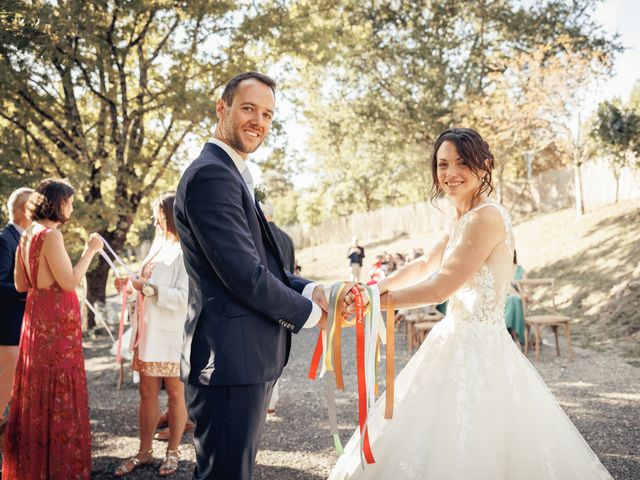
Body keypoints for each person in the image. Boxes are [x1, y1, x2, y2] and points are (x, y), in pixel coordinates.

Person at [330, 128, 612, 479]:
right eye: (443, 164)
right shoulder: (461, 216)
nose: (450, 174)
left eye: (462, 163)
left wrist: (375, 305)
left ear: (485, 166)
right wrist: (370, 290)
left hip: (479, 346)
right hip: (451, 339)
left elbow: (440, 287)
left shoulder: (486, 217)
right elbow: (423, 265)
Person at [174, 71, 329, 480]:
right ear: (222, 108)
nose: (258, 122)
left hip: (243, 362)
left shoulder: (231, 173)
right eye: (248, 108)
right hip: (228, 362)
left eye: (268, 115)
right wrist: (311, 314)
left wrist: (314, 290)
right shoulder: (212, 175)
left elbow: (267, 265)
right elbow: (243, 274)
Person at [2, 178, 103, 479]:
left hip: (35, 320)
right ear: (58, 202)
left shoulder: (27, 233)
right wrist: (90, 250)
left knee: (36, 392)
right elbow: (69, 281)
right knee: (58, 392)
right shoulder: (51, 235)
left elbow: (21, 284)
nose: (71, 207)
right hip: (56, 324)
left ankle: (33, 467)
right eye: (69, 201)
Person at [113, 192, 189, 477]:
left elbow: (186, 297)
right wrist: (130, 288)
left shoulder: (186, 250)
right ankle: (144, 451)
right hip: (147, 332)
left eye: (158, 214)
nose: (154, 220)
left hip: (171, 334)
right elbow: (143, 287)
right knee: (146, 392)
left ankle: (173, 452)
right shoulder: (156, 248)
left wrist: (149, 288)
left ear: (170, 215)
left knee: (175, 392)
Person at [0, 188, 33, 427]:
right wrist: (30, 291)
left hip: (22, 325)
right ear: (25, 210)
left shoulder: (24, 237)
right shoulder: (4, 240)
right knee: (4, 389)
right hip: (7, 328)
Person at [261, 202, 296, 415]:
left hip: (267, 297)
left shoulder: (260, 236)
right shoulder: (288, 238)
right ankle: (273, 400)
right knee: (279, 349)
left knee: (265, 349)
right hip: (287, 297)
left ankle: (266, 399)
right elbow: (291, 269)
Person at [504, 249, 530, 345]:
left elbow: (526, 289)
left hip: (519, 299)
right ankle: (515, 337)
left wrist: (525, 295)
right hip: (505, 299)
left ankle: (514, 335)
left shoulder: (520, 270)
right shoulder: (503, 270)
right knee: (512, 299)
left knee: (515, 300)